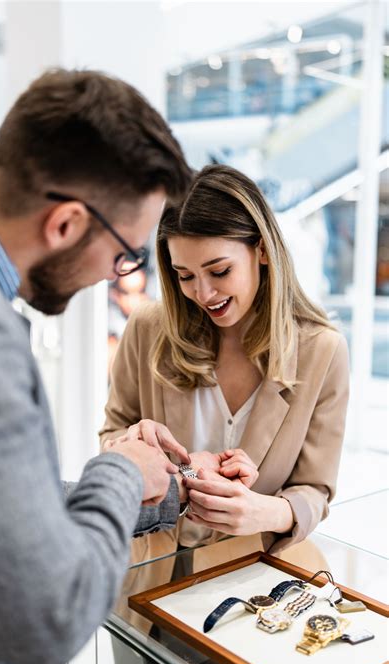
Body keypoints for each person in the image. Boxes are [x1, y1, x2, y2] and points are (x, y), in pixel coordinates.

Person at [0, 69, 193, 664]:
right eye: (126, 254)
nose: (116, 275)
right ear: (67, 224)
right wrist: (119, 471)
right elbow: (52, 619)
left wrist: (155, 489)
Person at [101, 164, 350, 572]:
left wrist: (264, 512)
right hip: (147, 571)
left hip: (251, 577)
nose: (203, 293)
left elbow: (316, 489)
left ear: (263, 250)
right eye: (185, 275)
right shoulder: (148, 329)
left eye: (219, 271)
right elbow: (111, 435)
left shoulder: (322, 350)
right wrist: (131, 446)